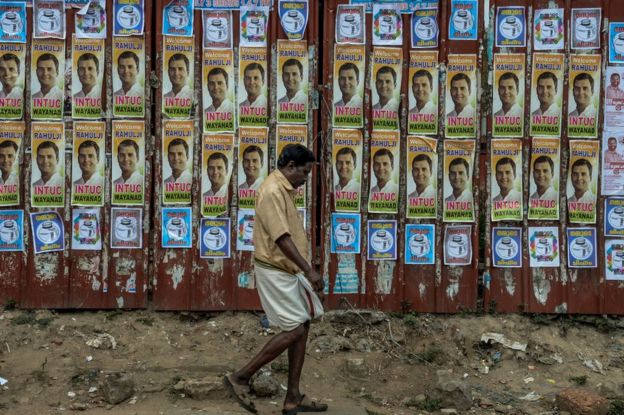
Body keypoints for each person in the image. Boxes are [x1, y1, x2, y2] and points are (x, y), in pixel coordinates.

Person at [224, 144, 327, 415]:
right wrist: (309, 269)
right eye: (304, 172)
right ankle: (241, 376)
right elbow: (281, 238)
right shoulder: (271, 191)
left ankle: (292, 397)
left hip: (285, 269)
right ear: (290, 167)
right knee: (294, 329)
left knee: (302, 326)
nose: (306, 178)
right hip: (275, 269)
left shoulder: (282, 189)